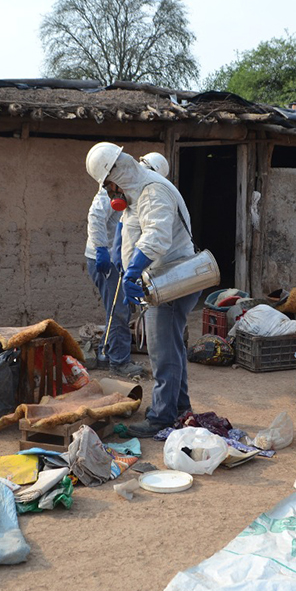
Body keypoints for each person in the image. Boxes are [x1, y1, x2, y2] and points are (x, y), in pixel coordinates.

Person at [86, 142, 199, 437]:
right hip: (161, 277)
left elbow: (156, 237)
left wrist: (133, 271)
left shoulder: (153, 191)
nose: (110, 193)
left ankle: (162, 417)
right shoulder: (136, 193)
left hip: (170, 279)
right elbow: (132, 230)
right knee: (172, 347)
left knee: (162, 353)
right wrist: (124, 261)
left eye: (109, 186)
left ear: (118, 174)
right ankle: (180, 408)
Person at [84, 177, 144, 379]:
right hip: (106, 258)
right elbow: (95, 217)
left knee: (116, 308)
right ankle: (119, 361)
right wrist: (101, 248)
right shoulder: (110, 190)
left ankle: (106, 353)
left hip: (117, 257)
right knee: (119, 309)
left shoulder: (135, 191)